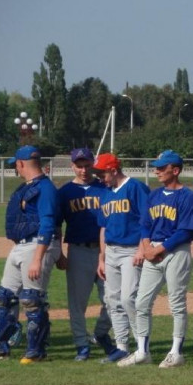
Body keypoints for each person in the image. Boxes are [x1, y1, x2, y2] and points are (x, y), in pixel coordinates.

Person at [118, 150, 193, 368]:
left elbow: (186, 230)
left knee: (176, 303)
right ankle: (142, 351)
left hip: (176, 251)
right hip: (153, 250)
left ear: (175, 170)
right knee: (141, 303)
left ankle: (176, 352)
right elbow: (145, 225)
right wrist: (146, 246)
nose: (157, 171)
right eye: (156, 167)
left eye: (162, 168)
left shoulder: (188, 197)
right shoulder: (153, 196)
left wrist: (159, 249)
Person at [0, 145, 61, 363]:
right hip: (21, 245)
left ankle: (36, 351)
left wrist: (38, 258)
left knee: (32, 299)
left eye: (15, 165)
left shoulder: (46, 188)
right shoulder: (28, 187)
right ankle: (0, 347)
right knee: (4, 296)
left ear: (21, 163)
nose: (15, 169)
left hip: (37, 245)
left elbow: (48, 224)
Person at [57, 148, 115, 361]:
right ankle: (82, 344)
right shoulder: (65, 192)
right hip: (78, 250)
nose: (83, 169)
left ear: (93, 164)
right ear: (72, 166)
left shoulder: (105, 187)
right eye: (79, 165)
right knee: (77, 303)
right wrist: (60, 253)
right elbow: (56, 224)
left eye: (87, 164)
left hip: (106, 251)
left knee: (112, 298)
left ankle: (100, 333)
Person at [95, 153, 150, 363]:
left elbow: (147, 220)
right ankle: (121, 346)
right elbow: (103, 227)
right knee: (112, 300)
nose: (100, 176)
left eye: (102, 172)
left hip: (130, 250)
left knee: (129, 299)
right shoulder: (105, 193)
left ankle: (141, 346)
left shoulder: (135, 188)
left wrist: (141, 249)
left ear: (114, 170)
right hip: (111, 251)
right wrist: (101, 257)